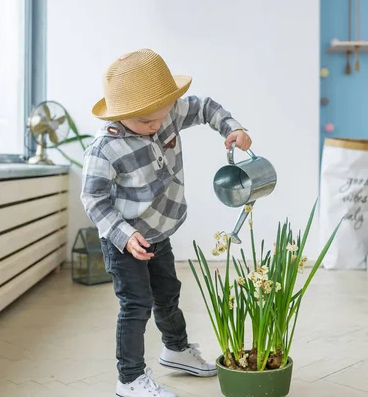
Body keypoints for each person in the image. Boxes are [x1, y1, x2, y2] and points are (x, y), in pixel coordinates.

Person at [80, 48, 252, 397]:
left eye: (162, 116)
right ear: (122, 113)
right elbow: (94, 199)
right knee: (136, 304)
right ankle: (129, 378)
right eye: (146, 122)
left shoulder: (166, 112)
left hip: (159, 231)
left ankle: (176, 349)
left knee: (168, 293)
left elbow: (204, 107)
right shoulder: (105, 149)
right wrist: (124, 235)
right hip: (125, 240)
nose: (157, 125)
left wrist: (232, 127)